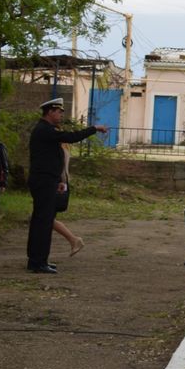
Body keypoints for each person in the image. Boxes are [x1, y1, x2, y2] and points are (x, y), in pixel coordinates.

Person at [26, 97, 107, 273]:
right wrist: (94, 129)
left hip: (46, 180)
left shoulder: (45, 129)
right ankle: (38, 262)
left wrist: (59, 180)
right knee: (43, 222)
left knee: (42, 220)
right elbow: (71, 137)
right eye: (59, 112)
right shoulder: (45, 130)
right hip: (44, 181)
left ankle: (36, 260)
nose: (61, 115)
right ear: (50, 112)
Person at [54, 144, 85, 256]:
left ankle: (73, 239)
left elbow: (62, 169)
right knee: (45, 217)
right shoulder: (64, 148)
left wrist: (62, 182)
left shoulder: (61, 149)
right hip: (60, 183)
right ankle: (73, 240)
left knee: (46, 217)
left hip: (59, 185)